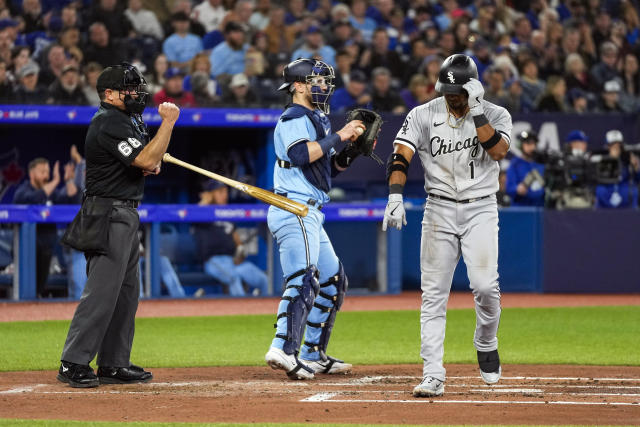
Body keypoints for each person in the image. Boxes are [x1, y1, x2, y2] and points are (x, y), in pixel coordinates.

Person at [383, 54, 511, 397]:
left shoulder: (496, 114)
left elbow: (497, 151)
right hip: (438, 209)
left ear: (472, 88)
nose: (451, 96)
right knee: (434, 295)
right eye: (447, 90)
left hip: (481, 208)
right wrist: (395, 195)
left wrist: (478, 109)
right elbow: (400, 155)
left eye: (458, 91)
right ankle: (433, 373)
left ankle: (486, 340)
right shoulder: (423, 114)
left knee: (485, 286)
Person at [57, 63, 180, 388]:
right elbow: (147, 160)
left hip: (124, 211)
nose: (137, 93)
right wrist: (168, 123)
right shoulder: (110, 121)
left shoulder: (127, 120)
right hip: (108, 212)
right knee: (102, 292)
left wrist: (150, 158)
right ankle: (73, 362)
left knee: (126, 294)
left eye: (137, 87)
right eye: (129, 89)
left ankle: (113, 362)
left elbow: (145, 162)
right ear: (108, 94)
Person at [264, 58, 365, 380]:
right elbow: (300, 155)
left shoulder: (315, 117)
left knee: (333, 281)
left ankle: (312, 353)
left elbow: (327, 167)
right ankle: (282, 348)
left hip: (310, 210)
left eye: (324, 81)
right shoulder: (294, 116)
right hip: (294, 209)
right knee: (303, 278)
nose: (322, 86)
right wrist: (342, 134)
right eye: (315, 81)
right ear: (297, 86)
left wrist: (351, 148)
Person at [13, 157, 81, 298]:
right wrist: (55, 181)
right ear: (32, 174)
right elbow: (32, 199)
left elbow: (71, 201)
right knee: (26, 290)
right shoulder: (23, 190)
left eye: (47, 171)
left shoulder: (52, 194)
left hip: (47, 247)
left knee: (39, 288)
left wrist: (68, 180)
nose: (46, 175)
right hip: (27, 250)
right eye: (42, 171)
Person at [193, 180, 268, 297]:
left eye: (226, 192)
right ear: (211, 194)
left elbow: (237, 241)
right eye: (220, 192)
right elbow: (193, 215)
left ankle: (267, 312)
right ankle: (243, 311)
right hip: (213, 261)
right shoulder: (204, 212)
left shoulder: (228, 213)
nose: (225, 195)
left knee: (263, 279)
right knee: (233, 277)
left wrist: (240, 252)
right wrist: (205, 200)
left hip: (232, 261)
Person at [595, 130, 640, 209]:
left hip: (624, 189)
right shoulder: (600, 159)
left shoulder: (628, 158)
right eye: (613, 145)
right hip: (607, 188)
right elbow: (597, 179)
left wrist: (636, 167)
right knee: (599, 190)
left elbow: (637, 179)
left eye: (618, 145)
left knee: (634, 191)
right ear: (608, 146)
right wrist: (611, 159)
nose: (616, 147)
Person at [505, 130, 545, 207]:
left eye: (533, 143)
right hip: (521, 210)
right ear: (521, 145)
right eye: (528, 143)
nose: (531, 146)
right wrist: (517, 189)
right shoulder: (515, 164)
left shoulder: (541, 164)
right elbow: (509, 188)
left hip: (540, 210)